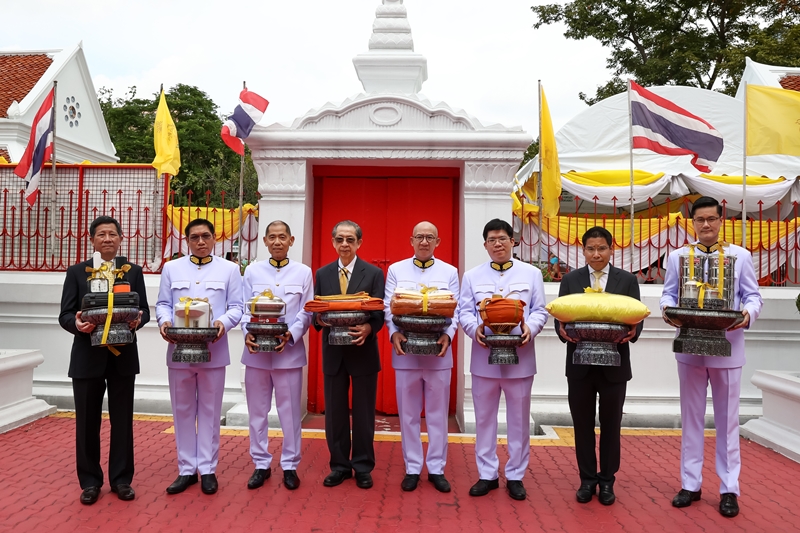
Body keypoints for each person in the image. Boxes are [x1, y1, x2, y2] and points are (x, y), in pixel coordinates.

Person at [660, 196, 762, 518]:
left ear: (721, 221)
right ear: (692, 223)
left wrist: (747, 315)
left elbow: (753, 296)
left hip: (728, 348)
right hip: (689, 349)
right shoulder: (678, 257)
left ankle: (729, 488)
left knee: (727, 422)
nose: (706, 225)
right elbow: (668, 293)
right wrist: (666, 311)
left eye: (711, 219)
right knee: (690, 419)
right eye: (700, 219)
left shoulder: (740, 256)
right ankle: (690, 484)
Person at [58, 216, 149, 505]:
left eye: (112, 234)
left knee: (122, 420)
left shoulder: (132, 272)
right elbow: (66, 314)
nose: (107, 238)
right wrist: (78, 324)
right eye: (101, 234)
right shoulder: (77, 273)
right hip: (87, 356)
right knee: (86, 422)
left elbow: (143, 309)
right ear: (92, 240)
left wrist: (137, 321)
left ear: (121, 239)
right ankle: (89, 482)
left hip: (122, 355)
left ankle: (121, 480)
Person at [458, 218, 548, 501]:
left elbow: (540, 310)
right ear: (485, 245)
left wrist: (529, 329)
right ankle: (487, 474)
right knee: (484, 419)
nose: (498, 244)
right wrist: (475, 331)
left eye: (503, 238)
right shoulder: (472, 276)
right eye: (492, 240)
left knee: (519, 421)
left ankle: (516, 475)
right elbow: (464, 312)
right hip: (484, 359)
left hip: (520, 360)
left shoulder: (531, 274)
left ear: (513, 241)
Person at [554, 226, 641, 506]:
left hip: (614, 366)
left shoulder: (626, 280)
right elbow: (561, 318)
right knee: (581, 425)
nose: (596, 254)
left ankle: (607, 482)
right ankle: (587, 480)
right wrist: (561, 330)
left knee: (611, 425)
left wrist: (633, 333)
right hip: (579, 365)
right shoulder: (571, 279)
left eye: (601, 248)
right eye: (590, 248)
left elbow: (636, 318)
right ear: (583, 250)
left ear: (611, 249)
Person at [156, 218, 243, 495]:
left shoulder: (229, 269)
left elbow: (237, 306)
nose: (201, 242)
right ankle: (185, 470)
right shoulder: (172, 268)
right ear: (187, 241)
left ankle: (207, 469)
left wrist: (224, 323)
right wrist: (163, 323)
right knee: (182, 411)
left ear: (215, 238)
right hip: (179, 350)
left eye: (206, 236)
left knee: (209, 411)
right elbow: (163, 304)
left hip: (213, 350)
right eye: (194, 237)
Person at [383, 221, 459, 493]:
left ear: (438, 242)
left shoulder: (449, 272)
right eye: (419, 237)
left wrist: (448, 335)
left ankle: (436, 468)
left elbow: (456, 309)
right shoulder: (396, 270)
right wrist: (393, 333)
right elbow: (387, 307)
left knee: (438, 415)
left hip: (438, 354)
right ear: (411, 240)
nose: (424, 242)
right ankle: (412, 467)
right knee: (409, 414)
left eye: (430, 237)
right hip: (406, 353)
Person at [241, 221, 313, 491]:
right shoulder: (252, 271)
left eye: (283, 237)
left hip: (288, 354)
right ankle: (261, 463)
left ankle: (290, 465)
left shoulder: (303, 272)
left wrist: (291, 334)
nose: (277, 242)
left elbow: (307, 311)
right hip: (256, 354)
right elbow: (242, 307)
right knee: (257, 413)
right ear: (265, 241)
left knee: (290, 413)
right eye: (272, 237)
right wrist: (246, 331)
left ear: (291, 240)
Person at [313, 220, 385, 489]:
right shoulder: (322, 273)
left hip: (363, 350)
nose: (345, 244)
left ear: (359, 243)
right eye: (340, 239)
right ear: (333, 242)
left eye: (350, 240)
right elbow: (316, 312)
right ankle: (340, 465)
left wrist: (368, 327)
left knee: (364, 413)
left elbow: (379, 312)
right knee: (335, 413)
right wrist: (320, 321)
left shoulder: (374, 273)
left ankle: (363, 466)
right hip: (333, 352)